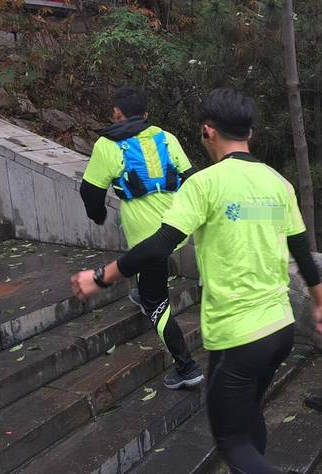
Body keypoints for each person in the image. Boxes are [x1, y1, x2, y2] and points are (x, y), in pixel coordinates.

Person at [71, 88, 322, 474]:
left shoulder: (204, 185)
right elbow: (301, 251)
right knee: (248, 418)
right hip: (279, 329)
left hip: (238, 337)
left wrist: (102, 277)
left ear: (207, 130)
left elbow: (159, 245)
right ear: (249, 132)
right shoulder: (278, 184)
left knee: (233, 444)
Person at [79, 85, 203, 390]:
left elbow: (90, 191)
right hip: (176, 227)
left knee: (156, 301)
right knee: (151, 270)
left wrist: (98, 215)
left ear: (116, 113)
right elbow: (192, 180)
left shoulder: (107, 145)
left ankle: (186, 367)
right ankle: (141, 290)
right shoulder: (166, 137)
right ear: (146, 114)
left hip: (147, 238)